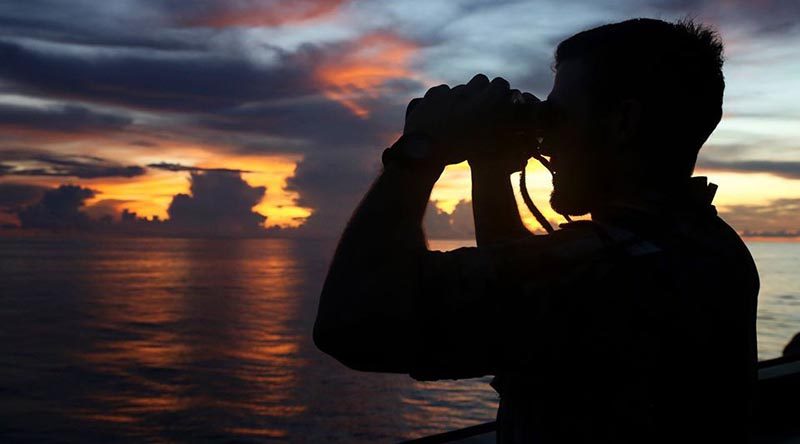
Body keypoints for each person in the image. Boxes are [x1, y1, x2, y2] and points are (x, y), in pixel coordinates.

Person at [313, 18, 760, 443]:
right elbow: (521, 286)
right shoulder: (708, 245)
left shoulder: (603, 271)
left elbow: (353, 324)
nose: (545, 137)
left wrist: (419, 152)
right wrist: (489, 168)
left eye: (559, 116)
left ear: (622, 122)